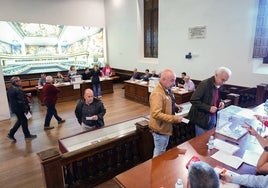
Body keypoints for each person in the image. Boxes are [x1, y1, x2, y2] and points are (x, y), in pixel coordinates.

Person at [188, 67, 232, 136]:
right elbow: (193, 100)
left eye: (225, 81)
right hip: (201, 118)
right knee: (201, 142)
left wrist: (221, 102)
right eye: (222, 80)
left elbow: (217, 97)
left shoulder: (219, 84)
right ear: (216, 75)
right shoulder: (204, 84)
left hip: (213, 116)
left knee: (210, 139)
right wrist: (208, 108)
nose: (223, 83)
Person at [149, 69, 183, 157]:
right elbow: (156, 114)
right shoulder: (157, 93)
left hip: (165, 127)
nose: (174, 83)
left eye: (174, 80)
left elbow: (167, 101)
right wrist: (174, 118)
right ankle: (156, 170)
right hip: (160, 129)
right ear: (163, 79)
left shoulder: (166, 88)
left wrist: (175, 106)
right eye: (172, 80)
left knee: (162, 150)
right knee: (159, 153)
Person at [7, 76, 37, 142]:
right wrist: (26, 110)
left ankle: (25, 135)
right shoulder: (17, 89)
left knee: (21, 121)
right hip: (20, 109)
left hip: (15, 108)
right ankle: (12, 134)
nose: (21, 81)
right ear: (16, 82)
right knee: (22, 121)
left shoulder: (11, 88)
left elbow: (16, 98)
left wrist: (25, 95)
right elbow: (21, 102)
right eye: (19, 80)